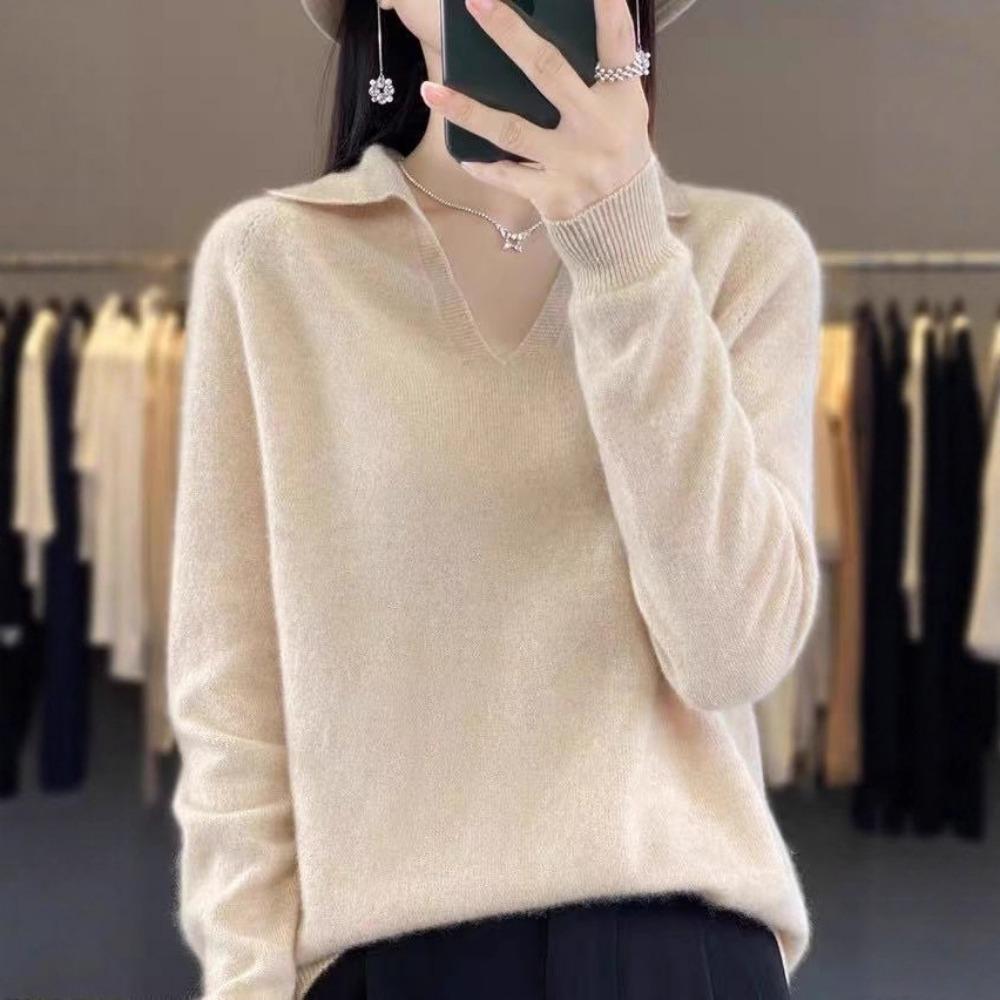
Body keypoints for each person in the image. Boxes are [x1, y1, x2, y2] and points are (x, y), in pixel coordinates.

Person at [166, 0, 823, 997]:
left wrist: (624, 251)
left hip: (673, 951)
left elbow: (732, 652)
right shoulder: (272, 264)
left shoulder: (739, 256)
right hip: (387, 958)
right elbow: (233, 707)